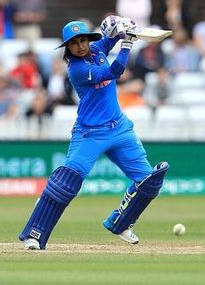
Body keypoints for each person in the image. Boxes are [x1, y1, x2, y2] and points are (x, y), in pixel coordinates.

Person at [19, 17, 169, 250]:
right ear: (67, 47)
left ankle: (121, 223)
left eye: (84, 40)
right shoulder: (77, 70)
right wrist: (128, 44)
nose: (81, 45)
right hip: (90, 133)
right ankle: (34, 235)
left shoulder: (96, 48)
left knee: (148, 182)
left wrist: (119, 26)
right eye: (75, 43)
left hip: (119, 128)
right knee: (64, 184)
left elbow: (111, 37)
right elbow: (114, 71)